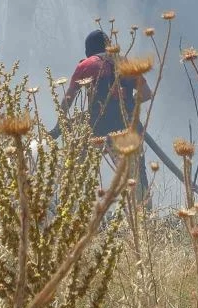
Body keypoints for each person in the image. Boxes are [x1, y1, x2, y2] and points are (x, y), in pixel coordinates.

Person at [50, 29, 153, 204]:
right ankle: (145, 216)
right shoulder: (124, 63)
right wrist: (128, 106)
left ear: (88, 50)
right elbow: (146, 93)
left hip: (96, 128)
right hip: (127, 128)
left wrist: (58, 127)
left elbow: (68, 99)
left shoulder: (86, 65)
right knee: (135, 177)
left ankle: (67, 209)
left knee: (74, 171)